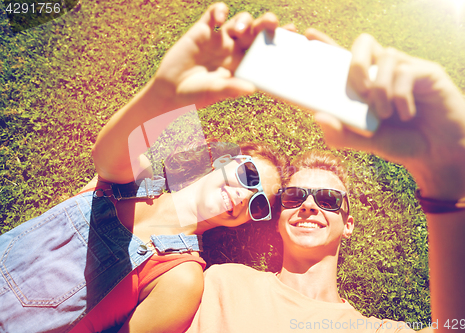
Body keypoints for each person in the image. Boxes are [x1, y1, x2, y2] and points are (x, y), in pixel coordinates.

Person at [184, 13, 465, 333]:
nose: (309, 206)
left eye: (328, 199)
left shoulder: (373, 330)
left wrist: (452, 174)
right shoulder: (220, 282)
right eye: (295, 197)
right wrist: (186, 86)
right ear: (278, 219)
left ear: (348, 225)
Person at [0, 5, 286, 333]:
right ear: (223, 161)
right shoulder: (135, 181)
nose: (243, 196)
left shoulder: (182, 278)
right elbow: (108, 153)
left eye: (258, 203)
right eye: (249, 176)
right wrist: (163, 94)